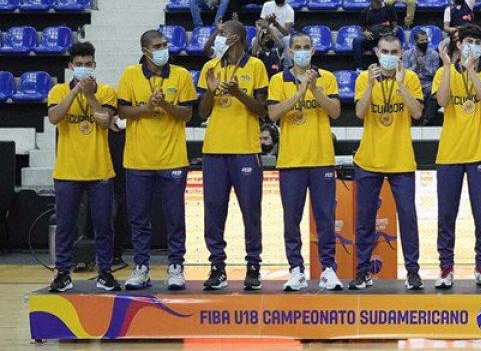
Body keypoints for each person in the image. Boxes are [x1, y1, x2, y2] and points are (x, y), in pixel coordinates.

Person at [116, 31, 195, 291]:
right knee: (139, 218)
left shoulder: (181, 75)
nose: (163, 49)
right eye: (157, 46)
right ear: (145, 50)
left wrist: (166, 106)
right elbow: (122, 111)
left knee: (174, 217)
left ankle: (176, 267)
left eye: (165, 45)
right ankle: (141, 267)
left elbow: (187, 114)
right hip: (138, 160)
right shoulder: (130, 74)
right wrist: (147, 108)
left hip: (172, 159)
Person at [266, 33, 343, 291]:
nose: (302, 51)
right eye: (297, 47)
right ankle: (296, 269)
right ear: (289, 50)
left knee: (325, 219)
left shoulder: (327, 77)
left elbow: (334, 111)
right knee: (291, 219)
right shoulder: (278, 80)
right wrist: (299, 92)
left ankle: (328, 269)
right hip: (290, 162)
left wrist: (313, 90)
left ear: (313, 50)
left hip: (321, 159)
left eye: (306, 47)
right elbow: (274, 113)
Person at [197, 20, 269, 291]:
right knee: (214, 211)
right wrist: (212, 92)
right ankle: (217, 265)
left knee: (251, 211)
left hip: (246, 149)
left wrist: (238, 93)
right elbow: (203, 112)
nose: (216, 37)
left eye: (221, 33)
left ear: (235, 38)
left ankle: (253, 265)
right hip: (214, 149)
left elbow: (261, 111)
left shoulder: (256, 66)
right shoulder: (210, 67)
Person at [349, 34, 424, 290]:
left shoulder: (411, 78)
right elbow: (359, 113)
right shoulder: (364, 78)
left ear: (401, 53)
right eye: (385, 51)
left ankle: (413, 272)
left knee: (408, 218)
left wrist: (402, 85)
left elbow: (417, 112)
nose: (389, 56)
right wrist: (370, 86)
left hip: (401, 160)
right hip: (369, 160)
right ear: (376, 52)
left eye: (394, 52)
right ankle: (362, 272)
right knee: (364, 220)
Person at [433, 24, 481, 289]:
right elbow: (441, 101)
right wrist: (450, 67)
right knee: (446, 215)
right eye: (467, 41)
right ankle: (445, 268)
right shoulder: (444, 71)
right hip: (449, 154)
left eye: (476, 42)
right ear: (459, 44)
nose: (471, 46)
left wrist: (472, 70)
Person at [45, 42, 120, 293]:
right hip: (67, 171)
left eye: (88, 64)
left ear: (95, 65)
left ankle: (105, 272)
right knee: (65, 226)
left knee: (104, 225)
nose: (84, 68)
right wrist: (76, 91)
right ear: (70, 67)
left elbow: (105, 121)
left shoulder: (107, 92)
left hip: (100, 170)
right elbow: (55, 118)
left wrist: (89, 95)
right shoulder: (57, 90)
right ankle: (63, 273)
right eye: (79, 65)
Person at [354, 0, 400, 69]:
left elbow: (395, 26)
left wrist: (393, 32)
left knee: (385, 43)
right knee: (357, 41)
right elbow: (362, 29)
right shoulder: (365, 11)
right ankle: (359, 68)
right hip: (371, 39)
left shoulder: (389, 8)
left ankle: (387, 67)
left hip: (385, 37)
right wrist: (365, 33)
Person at [404, 28, 441, 125]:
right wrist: (416, 66)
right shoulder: (407, 54)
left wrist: (425, 65)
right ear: (416, 41)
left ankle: (426, 120)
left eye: (426, 40)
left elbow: (436, 73)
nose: (424, 42)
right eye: (421, 40)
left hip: (428, 83)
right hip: (412, 83)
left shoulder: (434, 54)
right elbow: (405, 73)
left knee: (434, 92)